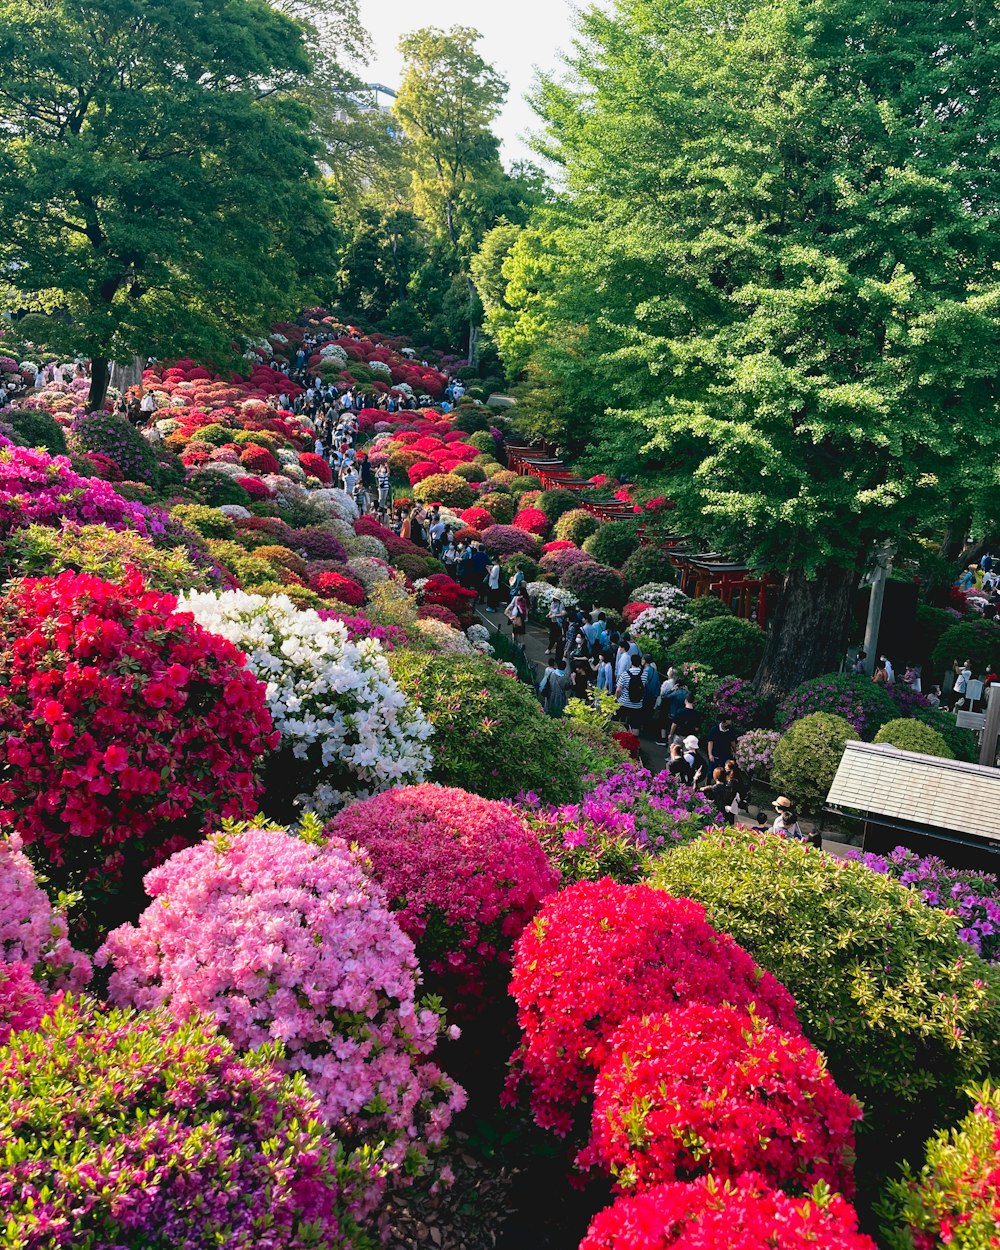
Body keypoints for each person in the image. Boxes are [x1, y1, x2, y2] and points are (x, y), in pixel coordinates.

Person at [615, 657, 646, 732]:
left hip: (624, 703)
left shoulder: (625, 674)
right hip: (637, 705)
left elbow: (618, 690)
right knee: (635, 725)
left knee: (616, 721)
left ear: (631, 662)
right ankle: (633, 741)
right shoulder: (644, 674)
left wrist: (616, 698)